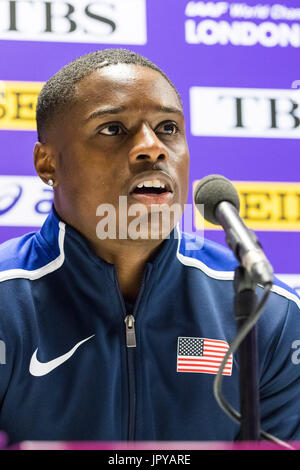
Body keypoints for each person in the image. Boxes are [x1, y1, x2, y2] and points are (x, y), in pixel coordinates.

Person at [0, 48, 300, 445]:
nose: (152, 147)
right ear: (47, 163)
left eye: (168, 128)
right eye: (113, 129)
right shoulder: (7, 302)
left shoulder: (268, 314)